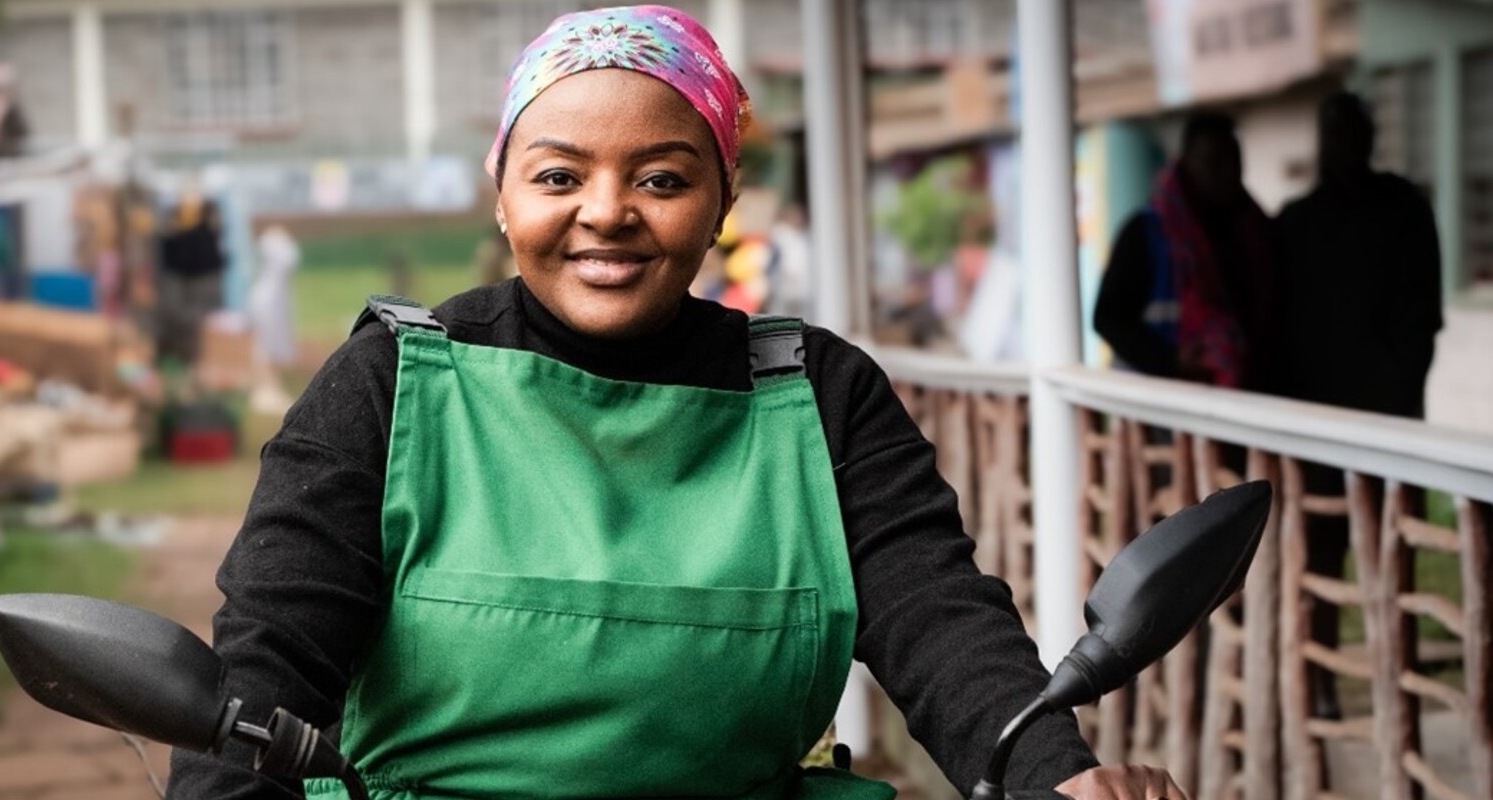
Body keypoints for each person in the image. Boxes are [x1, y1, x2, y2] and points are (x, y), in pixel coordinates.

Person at [169, 7, 1184, 799]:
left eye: (660, 176)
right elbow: (268, 659)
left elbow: (939, 616)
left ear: (722, 198)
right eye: (559, 173)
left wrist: (1053, 769)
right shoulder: (389, 382)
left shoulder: (818, 393)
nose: (605, 210)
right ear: (504, 192)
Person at [1272, 92, 1445, 719]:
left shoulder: (1403, 208)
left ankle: (1396, 681)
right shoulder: (1297, 221)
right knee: (1317, 556)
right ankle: (1319, 690)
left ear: (1370, 137)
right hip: (1314, 423)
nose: (1342, 142)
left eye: (1352, 130)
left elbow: (1423, 317)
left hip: (1387, 418)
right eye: (1332, 131)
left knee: (1390, 556)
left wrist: (1397, 391)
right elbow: (1277, 323)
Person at [1093, 114, 1278, 389]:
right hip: (1158, 406)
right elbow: (1108, 318)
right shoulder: (1147, 231)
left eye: (1234, 160)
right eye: (1213, 161)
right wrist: (1170, 361)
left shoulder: (1256, 229)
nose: (1227, 172)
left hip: (1240, 396)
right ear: (1187, 161)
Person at [156, 187, 226, 365]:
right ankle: (192, 359)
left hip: (196, 279)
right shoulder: (184, 227)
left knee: (198, 323)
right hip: (187, 280)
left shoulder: (199, 227)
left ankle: (197, 359)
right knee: (190, 323)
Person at [250, 223, 301, 414]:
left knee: (272, 346)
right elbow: (288, 259)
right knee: (264, 346)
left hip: (275, 301)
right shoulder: (274, 246)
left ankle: (271, 387)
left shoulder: (277, 246)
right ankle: (264, 389)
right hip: (268, 302)